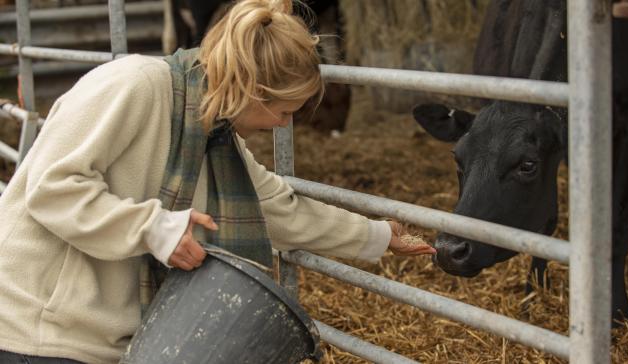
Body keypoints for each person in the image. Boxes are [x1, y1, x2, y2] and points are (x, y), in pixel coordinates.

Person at [0, 0, 435, 363]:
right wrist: (154, 228)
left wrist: (379, 236)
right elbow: (52, 186)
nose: (286, 124)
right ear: (250, 87)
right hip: (33, 330)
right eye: (284, 111)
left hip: (106, 340)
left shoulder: (215, 135)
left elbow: (280, 209)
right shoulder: (134, 85)